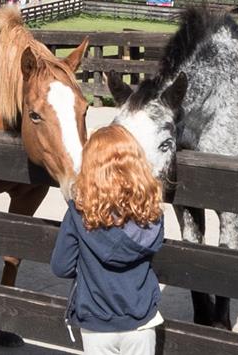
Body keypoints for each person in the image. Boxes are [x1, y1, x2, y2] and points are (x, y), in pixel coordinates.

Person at [51, 124, 165, 355]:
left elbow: (61, 267)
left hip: (96, 321)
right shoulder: (152, 213)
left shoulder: (79, 213)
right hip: (141, 320)